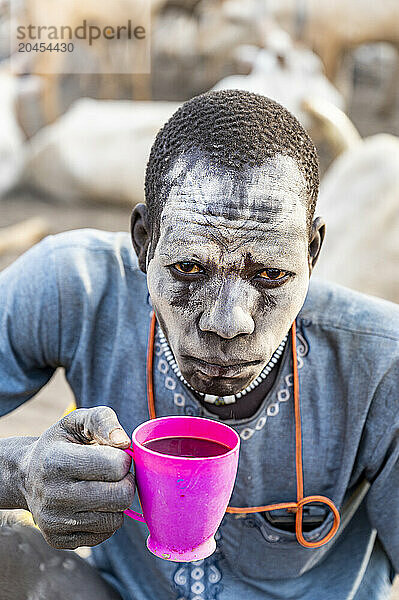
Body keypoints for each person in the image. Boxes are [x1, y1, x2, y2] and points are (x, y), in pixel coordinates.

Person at [0, 90, 398, 600]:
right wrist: (19, 472)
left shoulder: (383, 363)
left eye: (270, 274)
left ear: (312, 251)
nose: (227, 322)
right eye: (190, 268)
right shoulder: (72, 285)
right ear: (144, 242)